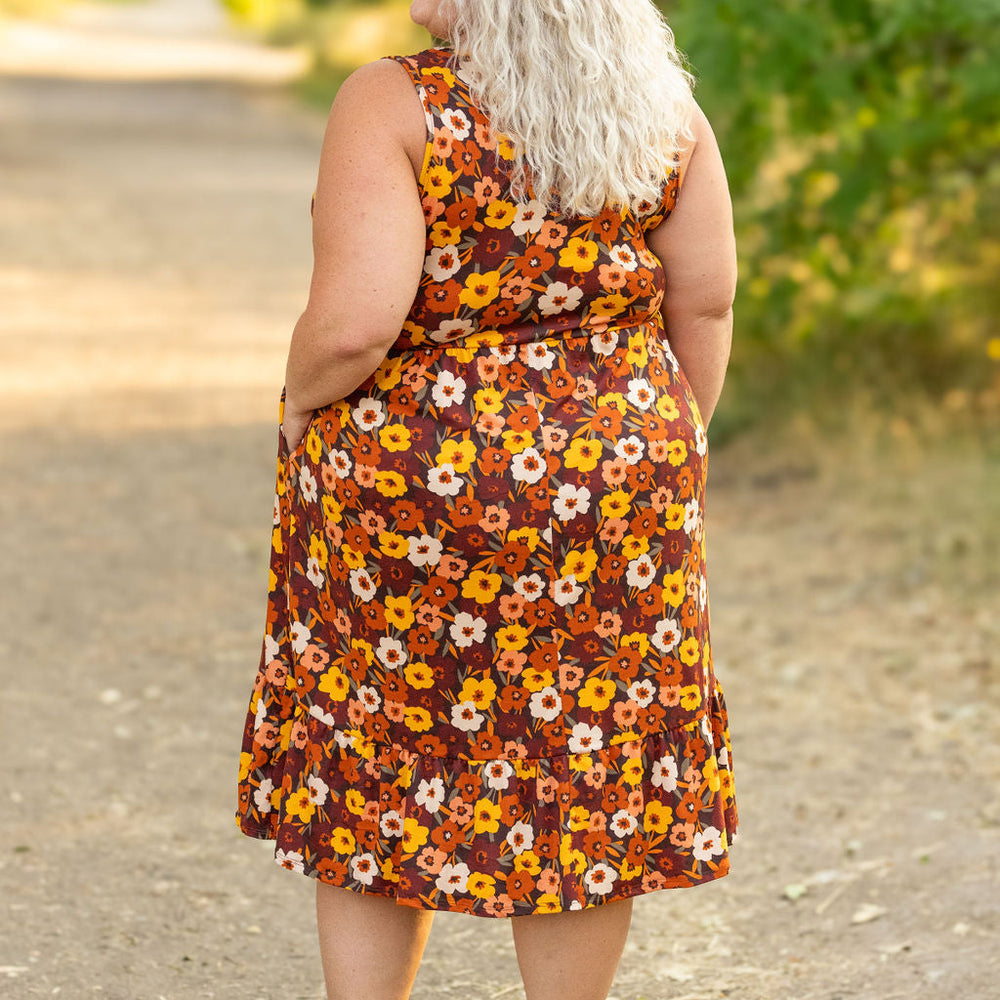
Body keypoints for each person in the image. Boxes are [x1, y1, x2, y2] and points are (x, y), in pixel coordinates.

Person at [235, 0, 738, 996]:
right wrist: (662, 443)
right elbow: (706, 296)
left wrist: (296, 402)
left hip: (414, 492)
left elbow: (353, 327)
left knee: (381, 741)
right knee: (587, 755)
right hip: (620, 488)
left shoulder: (394, 103)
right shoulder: (662, 110)